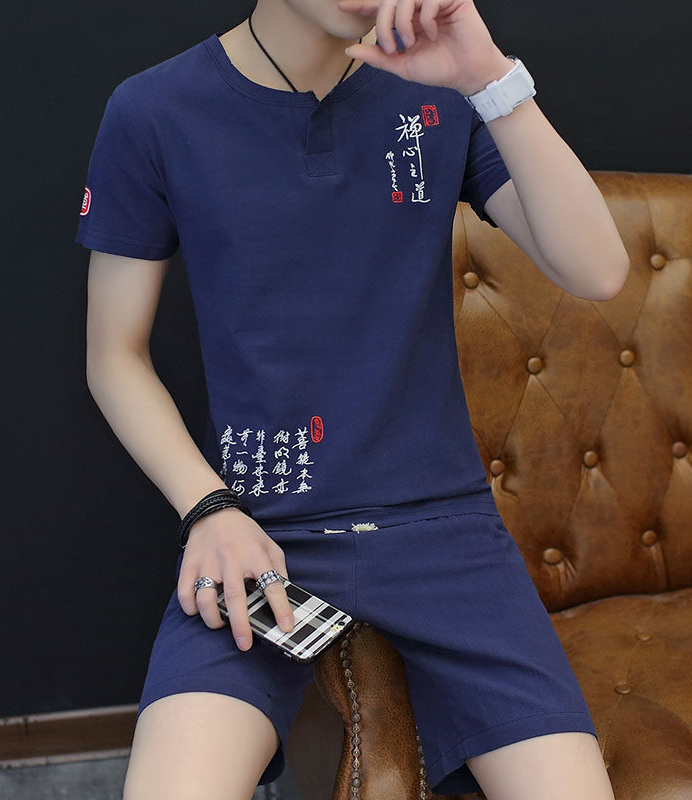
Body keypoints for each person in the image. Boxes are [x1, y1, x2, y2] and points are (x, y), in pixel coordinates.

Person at [76, 0, 628, 797]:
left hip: (444, 530)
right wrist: (209, 508)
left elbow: (598, 270)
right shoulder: (155, 110)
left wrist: (488, 77)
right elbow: (114, 357)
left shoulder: (441, 91)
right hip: (263, 531)